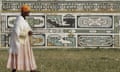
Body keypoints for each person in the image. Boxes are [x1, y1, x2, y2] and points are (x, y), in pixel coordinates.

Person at [7, 4, 37, 72]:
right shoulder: (19, 20)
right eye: (28, 12)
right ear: (24, 12)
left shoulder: (23, 19)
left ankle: (32, 69)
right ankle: (31, 70)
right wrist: (27, 33)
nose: (29, 13)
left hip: (24, 41)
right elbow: (17, 32)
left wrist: (29, 31)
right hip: (21, 42)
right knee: (21, 56)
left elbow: (27, 28)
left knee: (26, 55)